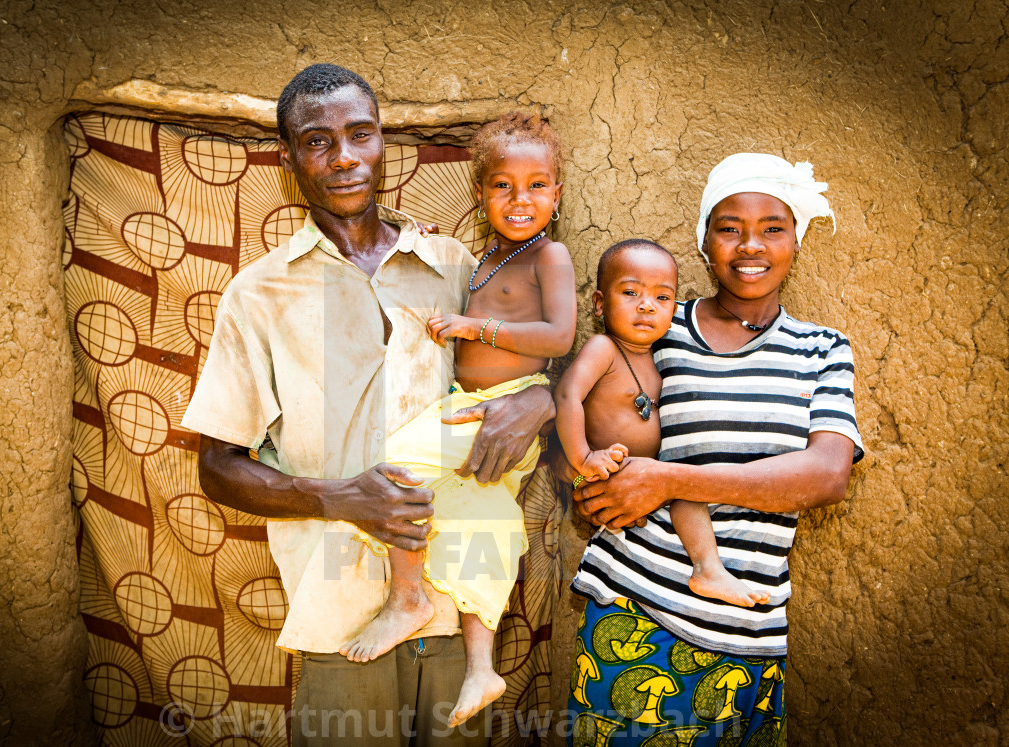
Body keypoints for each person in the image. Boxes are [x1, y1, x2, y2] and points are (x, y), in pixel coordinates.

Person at [181, 64, 554, 746]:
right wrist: (340, 498)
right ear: (288, 158)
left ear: (384, 143)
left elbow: (520, 365)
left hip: (459, 615)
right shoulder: (259, 294)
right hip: (342, 621)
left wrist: (542, 400)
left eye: (360, 134)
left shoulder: (452, 265)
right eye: (318, 141)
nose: (345, 157)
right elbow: (217, 467)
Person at [563, 153, 864, 744]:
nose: (749, 246)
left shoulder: (823, 349)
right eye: (729, 228)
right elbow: (574, 390)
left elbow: (827, 475)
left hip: (750, 631)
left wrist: (669, 480)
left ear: (796, 243)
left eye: (772, 229)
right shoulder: (654, 324)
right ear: (704, 243)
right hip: (638, 609)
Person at [339, 112, 575, 729]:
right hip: (465, 410)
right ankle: (480, 666)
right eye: (503, 186)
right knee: (480, 522)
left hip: (510, 407)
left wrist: (477, 327)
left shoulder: (550, 256)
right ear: (480, 193)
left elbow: (559, 335)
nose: (520, 199)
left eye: (536, 186)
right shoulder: (488, 258)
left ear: (557, 192)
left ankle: (408, 598)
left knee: (390, 474)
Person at [556, 239, 771, 609]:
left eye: (662, 298)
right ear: (599, 303)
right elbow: (567, 397)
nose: (646, 306)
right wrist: (583, 458)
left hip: (645, 482)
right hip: (598, 470)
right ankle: (706, 568)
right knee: (681, 486)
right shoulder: (603, 349)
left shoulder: (658, 362)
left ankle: (708, 569)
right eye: (630, 292)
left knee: (687, 486)